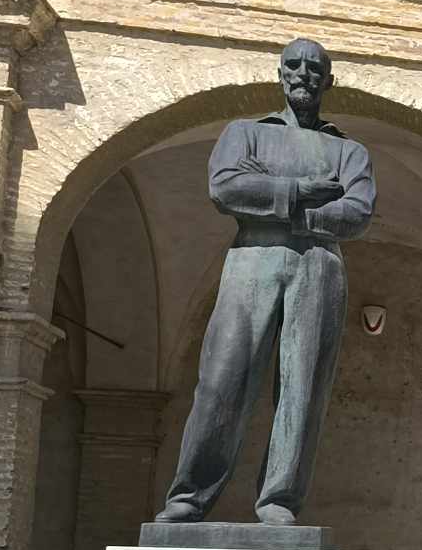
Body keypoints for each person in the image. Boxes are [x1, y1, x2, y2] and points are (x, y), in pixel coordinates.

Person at [154, 38, 376, 525]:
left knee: (303, 388)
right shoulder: (244, 133)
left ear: (329, 81)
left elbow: (356, 213)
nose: (304, 75)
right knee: (222, 379)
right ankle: (188, 497)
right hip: (252, 259)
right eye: (294, 66)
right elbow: (226, 188)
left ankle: (279, 501)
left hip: (319, 265)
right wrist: (304, 192)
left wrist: (278, 203)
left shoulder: (349, 151)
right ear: (279, 74)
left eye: (316, 68)